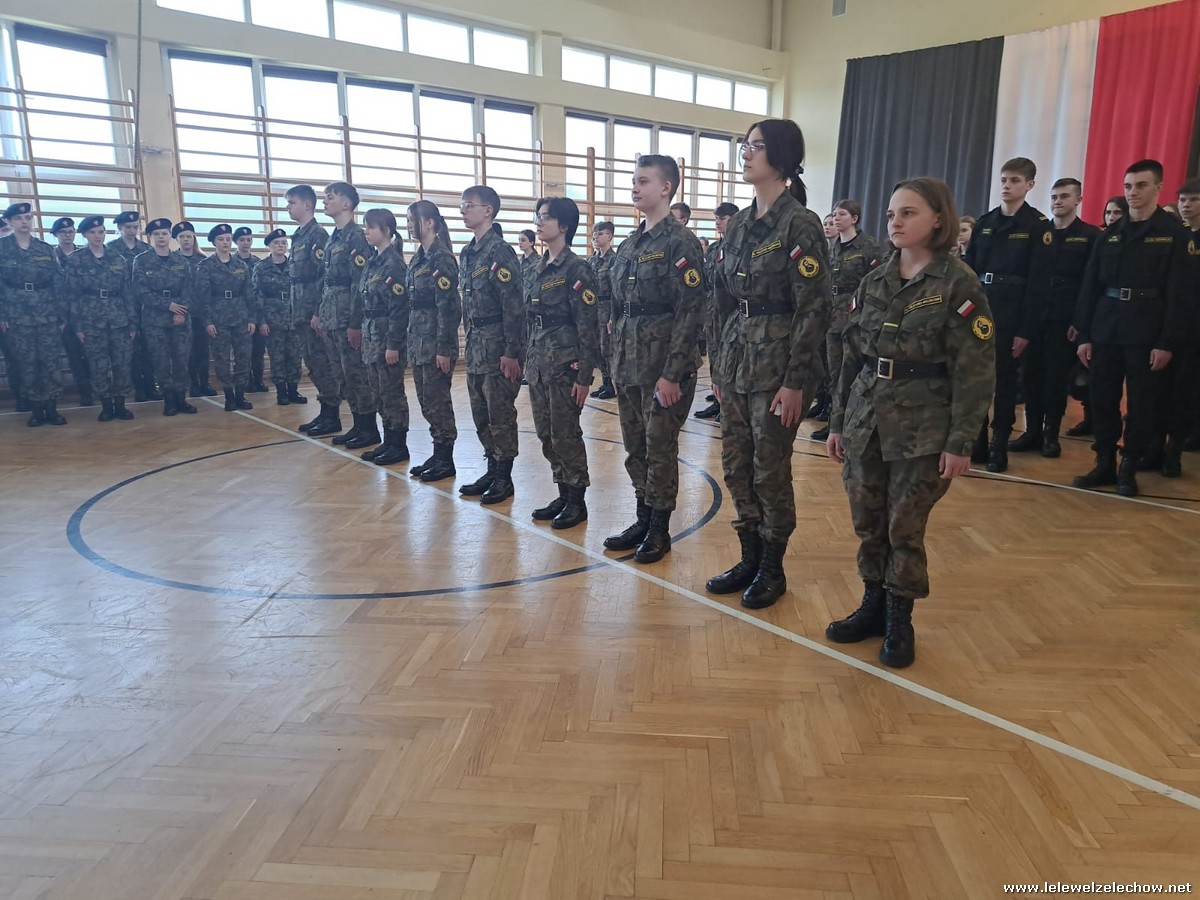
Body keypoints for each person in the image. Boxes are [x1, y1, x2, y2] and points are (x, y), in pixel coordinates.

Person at [825, 178, 996, 668]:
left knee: (904, 525)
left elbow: (976, 368)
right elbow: (851, 357)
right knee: (867, 519)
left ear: (938, 219)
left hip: (923, 426)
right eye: (891, 214)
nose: (895, 222)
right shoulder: (875, 280)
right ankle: (872, 604)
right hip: (866, 418)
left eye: (908, 213)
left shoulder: (957, 282)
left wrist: (961, 440)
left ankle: (900, 619)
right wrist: (837, 421)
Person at [705, 120, 831, 609]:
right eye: (745, 145)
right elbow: (721, 299)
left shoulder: (799, 223)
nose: (746, 154)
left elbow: (814, 308)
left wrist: (797, 382)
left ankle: (773, 566)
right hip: (737, 360)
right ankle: (749, 556)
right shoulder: (739, 223)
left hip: (777, 368)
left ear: (780, 157)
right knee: (736, 465)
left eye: (756, 146)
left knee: (769, 469)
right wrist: (719, 368)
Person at [603, 155, 706, 563]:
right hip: (629, 364)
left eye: (643, 181)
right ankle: (643, 518)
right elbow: (618, 310)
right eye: (634, 180)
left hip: (663, 368)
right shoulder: (629, 245)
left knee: (659, 448)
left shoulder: (680, 242)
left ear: (666, 188)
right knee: (635, 448)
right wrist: (614, 363)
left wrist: (673, 373)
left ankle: (660, 529)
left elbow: (691, 312)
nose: (635, 187)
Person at [1072, 159, 1192, 497]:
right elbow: (1090, 287)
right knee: (1102, 397)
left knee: (1141, 404)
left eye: (1141, 185)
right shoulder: (1110, 234)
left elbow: (1180, 293)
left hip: (1148, 329)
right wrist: (1084, 334)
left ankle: (1129, 466)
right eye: (1128, 186)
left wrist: (1167, 341)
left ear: (1158, 188)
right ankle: (1104, 462)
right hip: (1107, 326)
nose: (1132, 192)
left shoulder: (1174, 234)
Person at [964, 156, 1053, 473]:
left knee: (1003, 384)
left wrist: (1026, 330)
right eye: (1003, 180)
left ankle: (999, 444)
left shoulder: (1037, 226)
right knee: (975, 380)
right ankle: (977, 440)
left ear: (1029, 185)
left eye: (1014, 180)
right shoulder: (986, 223)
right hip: (980, 312)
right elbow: (969, 274)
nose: (1006, 186)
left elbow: (1039, 284)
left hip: (1012, 314)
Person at [1011, 178, 1099, 458]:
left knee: (1056, 380)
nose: (1058, 201)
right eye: (1054, 197)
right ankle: (1032, 431)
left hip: (1065, 319)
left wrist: (1080, 322)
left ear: (1078, 200)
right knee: (1031, 377)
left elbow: (1090, 284)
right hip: (1035, 317)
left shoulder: (1089, 235)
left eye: (1064, 196)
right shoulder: (1039, 233)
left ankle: (1050, 435)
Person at [526, 196, 600, 528]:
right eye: (538, 217)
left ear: (565, 226)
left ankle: (577, 500)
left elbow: (588, 326)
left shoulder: (576, 269)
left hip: (564, 365)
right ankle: (563, 491)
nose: (539, 222)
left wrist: (584, 375)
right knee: (546, 433)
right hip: (539, 363)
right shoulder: (537, 267)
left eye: (546, 217)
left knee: (565, 434)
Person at [457, 185, 525, 503]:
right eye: (462, 205)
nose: (463, 210)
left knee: (500, 414)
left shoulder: (500, 252)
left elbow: (513, 306)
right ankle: (491, 466)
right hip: (475, 346)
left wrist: (512, 352)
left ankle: (504, 477)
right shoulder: (468, 252)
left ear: (488, 211)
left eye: (469, 205)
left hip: (497, 346)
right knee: (480, 413)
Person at [311, 182, 379, 449]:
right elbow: (326, 281)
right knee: (342, 375)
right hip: (331, 316)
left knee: (356, 374)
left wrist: (355, 323)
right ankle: (357, 425)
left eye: (331, 197)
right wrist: (320, 314)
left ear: (347, 204)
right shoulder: (334, 238)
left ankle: (369, 428)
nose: (325, 201)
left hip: (347, 319)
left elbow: (360, 284)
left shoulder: (356, 238)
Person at [812, 199, 882, 442]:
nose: (836, 218)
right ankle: (835, 423)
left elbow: (875, 285)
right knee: (834, 374)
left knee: (853, 374)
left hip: (856, 321)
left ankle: (855, 422)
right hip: (832, 319)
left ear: (854, 218)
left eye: (842, 214)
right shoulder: (832, 248)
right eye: (834, 214)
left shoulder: (868, 246)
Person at [405, 200, 462, 482]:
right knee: (426, 401)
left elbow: (449, 308)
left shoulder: (441, 259)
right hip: (419, 341)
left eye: (412, 220)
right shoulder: (419, 258)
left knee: (438, 401)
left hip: (436, 343)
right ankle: (437, 453)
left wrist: (443, 348)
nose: (408, 226)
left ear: (429, 223)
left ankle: (445, 458)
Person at [1066, 196, 1131, 438]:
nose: (1111, 217)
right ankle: (1092, 421)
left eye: (1117, 213)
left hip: (1132, 319)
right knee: (1094, 379)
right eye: (1108, 212)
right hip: (1102, 317)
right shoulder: (1102, 239)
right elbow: (1090, 284)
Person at [63, 215, 136, 421]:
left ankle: (120, 404)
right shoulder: (76, 259)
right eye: (93, 232)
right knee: (98, 365)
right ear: (85, 235)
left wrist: (132, 323)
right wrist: (78, 326)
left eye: (101, 232)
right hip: (91, 320)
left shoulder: (117, 258)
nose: (97, 236)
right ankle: (106, 405)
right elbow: (72, 295)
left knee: (122, 363)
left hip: (119, 319)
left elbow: (127, 293)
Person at [0, 202, 67, 426]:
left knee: (50, 361)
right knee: (27, 362)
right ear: (9, 222)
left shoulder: (44, 249)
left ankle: (52, 407)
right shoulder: (2, 248)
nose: (24, 222)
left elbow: (57, 282)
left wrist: (61, 314)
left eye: (28, 218)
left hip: (46, 312)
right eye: (19, 218)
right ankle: (36, 409)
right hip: (16, 313)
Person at [353, 208, 410, 466]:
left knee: (391, 393)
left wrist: (393, 344)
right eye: (365, 227)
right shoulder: (373, 261)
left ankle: (398, 444)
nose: (366, 232)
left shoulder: (393, 264)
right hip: (372, 336)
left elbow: (399, 308)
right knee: (378, 392)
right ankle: (388, 440)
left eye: (371, 227)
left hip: (387, 337)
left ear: (386, 230)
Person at [132, 218, 195, 416]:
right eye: (157, 234)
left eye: (164, 233)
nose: (161, 237)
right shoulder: (141, 260)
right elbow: (140, 291)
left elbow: (189, 289)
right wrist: (168, 306)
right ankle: (169, 399)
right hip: (155, 319)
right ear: (151, 237)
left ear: (170, 236)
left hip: (180, 319)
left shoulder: (181, 261)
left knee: (181, 360)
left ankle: (181, 398)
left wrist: (180, 311)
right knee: (161, 361)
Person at [286, 185, 336, 434]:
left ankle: (332, 415)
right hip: (300, 310)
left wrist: (318, 312)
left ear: (307, 205)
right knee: (313, 364)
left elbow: (322, 277)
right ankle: (325, 411)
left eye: (292, 203)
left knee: (321, 363)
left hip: (312, 312)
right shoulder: (299, 235)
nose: (288, 207)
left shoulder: (317, 235)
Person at [195, 224, 257, 412]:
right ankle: (229, 396)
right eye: (221, 239)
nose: (225, 243)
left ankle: (240, 395)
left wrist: (252, 318)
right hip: (218, 317)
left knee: (243, 357)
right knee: (222, 359)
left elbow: (249, 294)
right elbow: (202, 297)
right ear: (214, 242)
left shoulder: (241, 265)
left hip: (240, 316)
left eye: (228, 239)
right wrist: (207, 321)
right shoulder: (205, 266)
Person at [108, 210, 159, 402]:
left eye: (135, 227)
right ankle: (139, 388)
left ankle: (151, 386)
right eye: (128, 227)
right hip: (121, 306)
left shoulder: (146, 249)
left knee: (150, 347)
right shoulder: (111, 249)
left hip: (146, 305)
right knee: (131, 349)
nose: (132, 230)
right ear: (120, 228)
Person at [695, 202, 739, 421]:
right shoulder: (713, 249)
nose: (718, 222)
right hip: (712, 311)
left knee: (729, 360)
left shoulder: (739, 247)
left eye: (722, 218)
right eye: (716, 219)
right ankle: (717, 400)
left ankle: (728, 406)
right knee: (714, 357)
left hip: (730, 312)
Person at [254, 228, 305, 406]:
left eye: (283, 243)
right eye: (276, 243)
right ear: (269, 246)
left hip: (293, 317)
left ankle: (293, 390)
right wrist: (261, 321)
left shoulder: (294, 266)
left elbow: (302, 291)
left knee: (295, 356)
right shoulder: (261, 268)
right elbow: (257, 295)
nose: (280, 246)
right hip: (272, 318)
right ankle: (281, 392)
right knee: (277, 357)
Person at [51, 216, 94, 408]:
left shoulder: (85, 254)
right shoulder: (51, 256)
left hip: (87, 313)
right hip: (63, 315)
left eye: (70, 231)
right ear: (56, 235)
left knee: (92, 353)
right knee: (74, 356)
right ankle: (84, 392)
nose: (67, 235)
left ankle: (97, 388)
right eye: (63, 232)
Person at [173, 221, 213, 399]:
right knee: (186, 352)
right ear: (177, 239)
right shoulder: (173, 259)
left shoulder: (203, 260)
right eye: (182, 236)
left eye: (189, 236)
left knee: (203, 350)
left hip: (201, 313)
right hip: (182, 313)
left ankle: (204, 382)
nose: (186, 239)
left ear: (194, 238)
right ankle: (193, 384)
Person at [1177, 178, 1200, 451]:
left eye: (1193, 200)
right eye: (1183, 200)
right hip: (1181, 319)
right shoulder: (1178, 237)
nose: (1186, 205)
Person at [588, 220, 618, 399]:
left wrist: (613, 316)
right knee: (596, 349)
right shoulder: (592, 260)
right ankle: (605, 381)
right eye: (594, 234)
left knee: (607, 349)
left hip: (607, 308)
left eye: (599, 234)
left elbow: (617, 291)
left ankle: (612, 384)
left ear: (609, 237)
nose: (595, 237)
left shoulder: (614, 260)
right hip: (593, 309)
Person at [518, 228, 539, 300]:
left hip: (532, 299)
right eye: (519, 240)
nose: (520, 243)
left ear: (531, 243)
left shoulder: (539, 261)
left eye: (523, 240)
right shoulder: (519, 261)